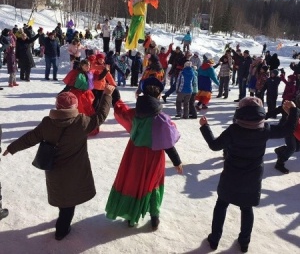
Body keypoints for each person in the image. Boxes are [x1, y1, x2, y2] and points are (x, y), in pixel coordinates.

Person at [2, 86, 115, 240]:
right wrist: (107, 95)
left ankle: (63, 217)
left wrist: (12, 147)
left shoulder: (48, 123)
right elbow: (101, 115)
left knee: (62, 196)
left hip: (54, 170)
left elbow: (31, 137)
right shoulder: (81, 122)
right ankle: (61, 231)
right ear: (74, 106)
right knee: (69, 202)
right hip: (76, 171)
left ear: (57, 106)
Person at [199, 97, 297, 253]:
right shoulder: (265, 129)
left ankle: (214, 239)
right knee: (246, 209)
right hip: (252, 177)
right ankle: (244, 242)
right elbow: (287, 130)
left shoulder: (234, 130)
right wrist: (293, 111)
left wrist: (205, 127)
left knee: (221, 205)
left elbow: (214, 145)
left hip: (231, 175)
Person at [105, 77, 183, 229]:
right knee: (153, 183)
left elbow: (121, 110)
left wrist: (115, 93)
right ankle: (154, 216)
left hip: (134, 154)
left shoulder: (135, 113)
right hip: (154, 156)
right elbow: (168, 143)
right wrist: (176, 161)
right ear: (158, 96)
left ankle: (131, 216)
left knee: (133, 183)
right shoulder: (161, 119)